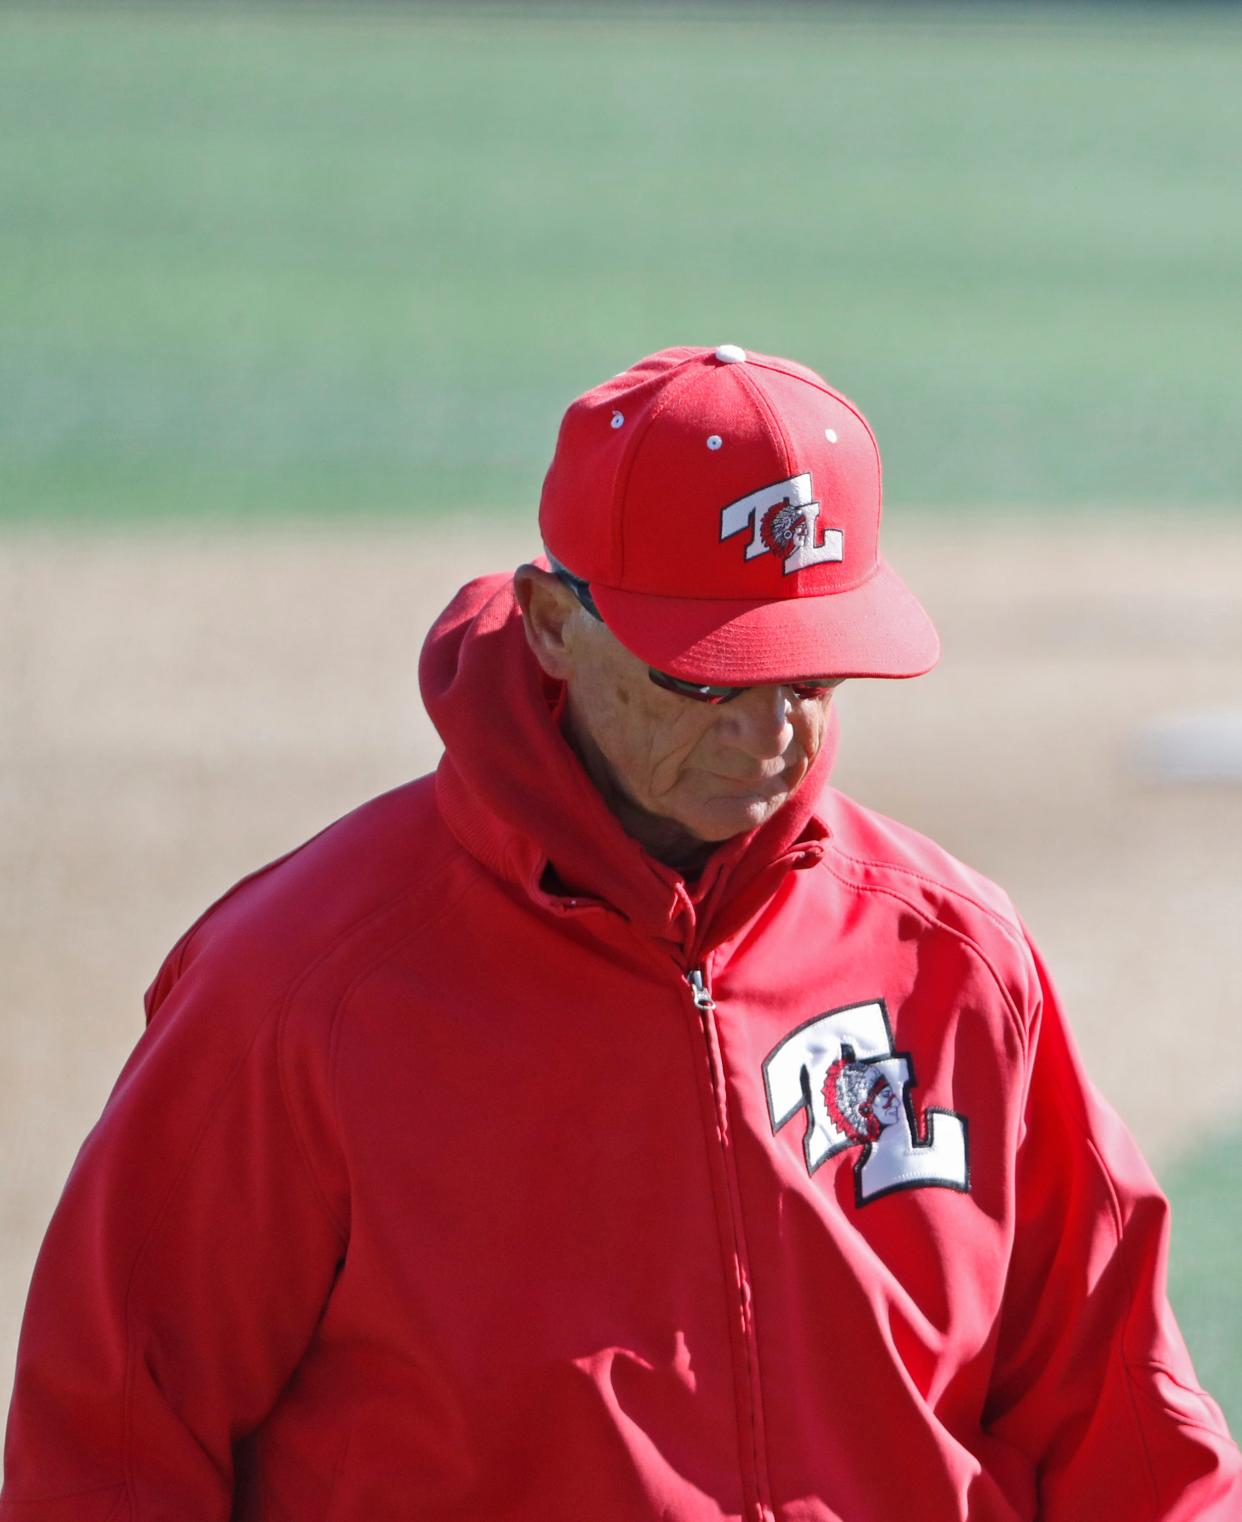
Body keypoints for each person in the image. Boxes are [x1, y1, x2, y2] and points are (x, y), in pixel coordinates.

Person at [2, 344, 1238, 1521]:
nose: (767, 741)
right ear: (550, 622)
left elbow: (1124, 1419)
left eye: (807, 680)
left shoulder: (955, 962)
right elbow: (112, 1441)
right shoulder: (308, 988)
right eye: (706, 678)